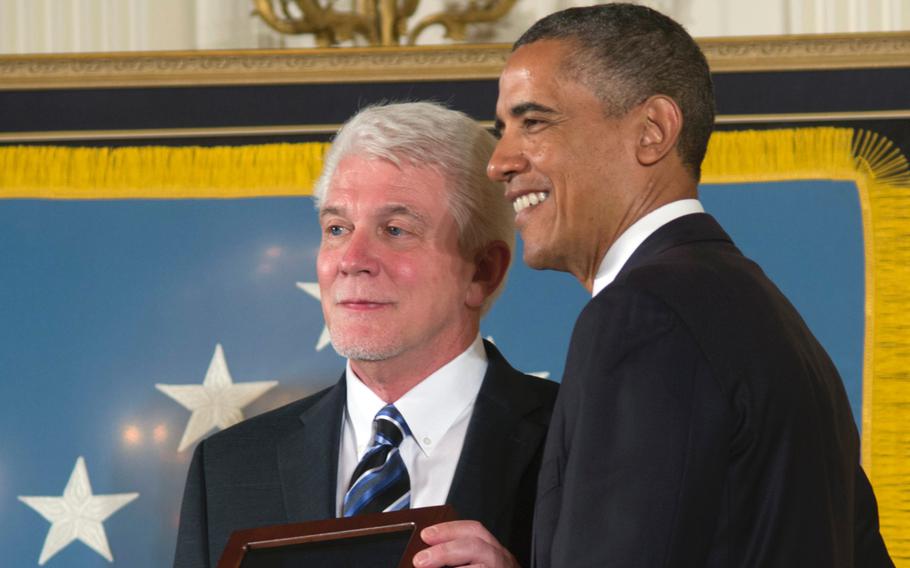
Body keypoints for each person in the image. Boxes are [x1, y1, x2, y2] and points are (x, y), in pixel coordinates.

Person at [487, 4, 893, 567]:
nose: (499, 161)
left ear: (652, 131)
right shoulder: (765, 314)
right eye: (502, 128)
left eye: (533, 122)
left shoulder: (644, 318)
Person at [173, 102, 558, 568]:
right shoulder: (230, 467)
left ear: (482, 272)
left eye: (395, 230)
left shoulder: (578, 441)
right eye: (337, 228)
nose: (351, 259)